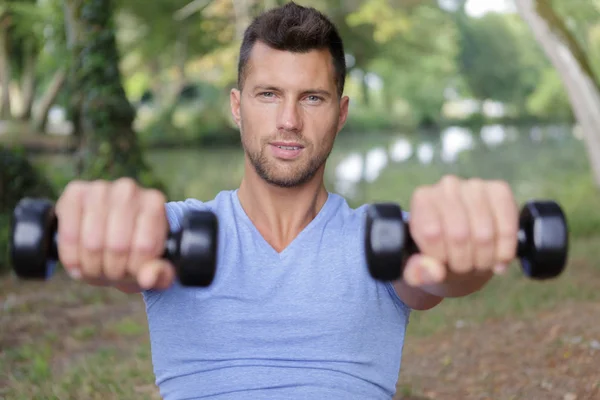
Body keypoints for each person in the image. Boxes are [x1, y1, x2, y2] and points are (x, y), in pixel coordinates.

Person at [53, 2, 519, 399]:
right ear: (238, 107)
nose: (289, 120)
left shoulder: (380, 237)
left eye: (312, 98)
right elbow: (121, 252)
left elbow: (441, 274)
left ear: (341, 113)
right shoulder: (179, 231)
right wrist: (93, 228)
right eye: (269, 94)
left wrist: (469, 250)